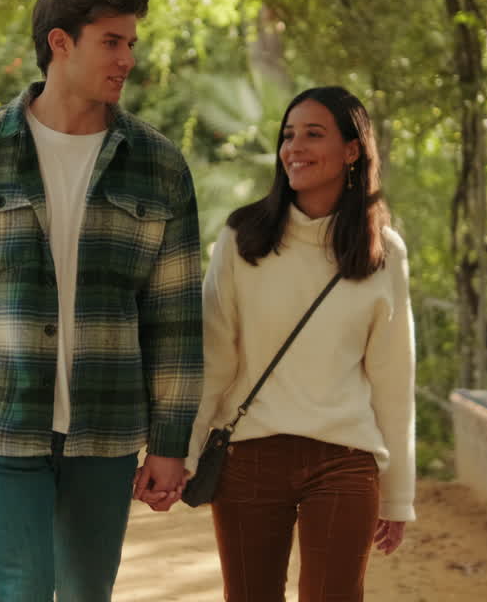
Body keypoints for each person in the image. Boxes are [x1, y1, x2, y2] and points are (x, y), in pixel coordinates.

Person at [0, 0, 203, 602]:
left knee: (87, 591)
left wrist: (171, 441)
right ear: (61, 42)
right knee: (21, 588)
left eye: (132, 43)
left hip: (107, 424)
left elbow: (175, 320)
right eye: (113, 42)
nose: (128, 60)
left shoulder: (159, 164)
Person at [180, 86, 417, 601]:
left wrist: (398, 498)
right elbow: (214, 359)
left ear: (352, 150)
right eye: (288, 135)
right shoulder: (242, 239)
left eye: (313, 134)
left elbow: (394, 381)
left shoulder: (383, 252)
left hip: (345, 460)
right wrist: (186, 451)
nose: (295, 147)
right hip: (249, 459)